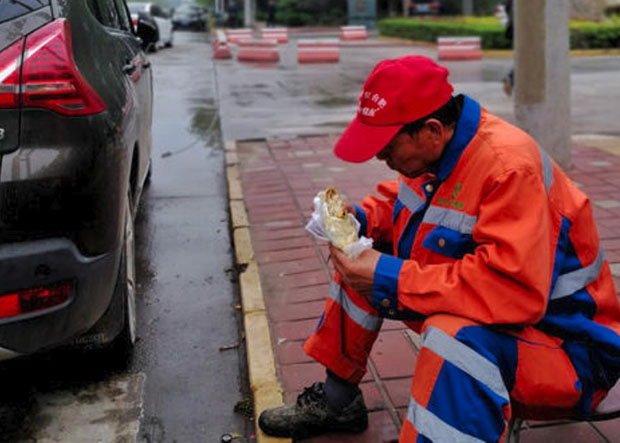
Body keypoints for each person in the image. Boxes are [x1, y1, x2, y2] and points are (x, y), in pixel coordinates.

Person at [258, 55, 620, 441]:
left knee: (451, 336)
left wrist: (387, 275)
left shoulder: (509, 169)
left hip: (571, 354)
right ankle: (337, 401)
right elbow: (399, 203)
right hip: (516, 328)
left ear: (431, 129)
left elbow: (512, 293)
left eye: (387, 146)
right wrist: (358, 221)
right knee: (360, 260)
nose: (382, 158)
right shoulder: (438, 152)